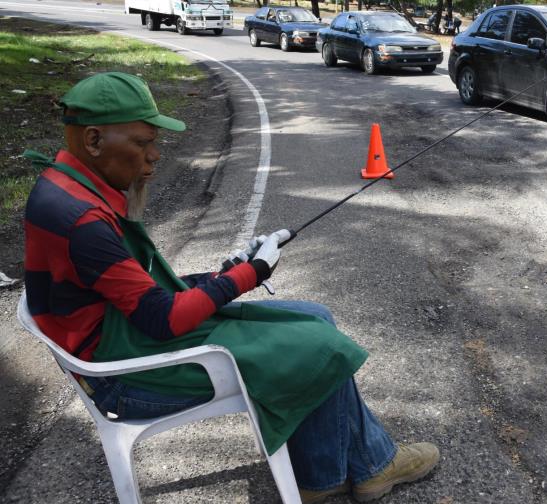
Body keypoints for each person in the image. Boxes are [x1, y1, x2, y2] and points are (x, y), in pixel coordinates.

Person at [22, 72, 439, 503]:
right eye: (143, 142)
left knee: (316, 318)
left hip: (120, 335)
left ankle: (332, 469)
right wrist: (250, 274)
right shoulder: (82, 219)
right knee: (318, 344)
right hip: (124, 375)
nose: (155, 155)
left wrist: (230, 269)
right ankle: (353, 471)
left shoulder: (67, 187)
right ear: (93, 140)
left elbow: (132, 289)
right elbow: (163, 318)